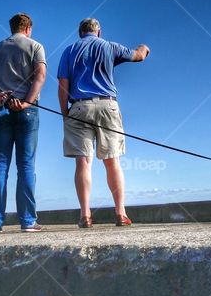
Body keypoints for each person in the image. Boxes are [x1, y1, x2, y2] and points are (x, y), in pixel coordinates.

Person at [58, 18, 150, 228]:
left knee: (83, 162)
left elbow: (63, 84)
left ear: (80, 33)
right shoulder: (109, 46)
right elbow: (138, 56)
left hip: (79, 107)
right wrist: (144, 48)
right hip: (108, 106)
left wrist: (65, 114)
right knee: (112, 161)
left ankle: (85, 215)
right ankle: (120, 214)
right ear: (98, 32)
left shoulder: (69, 51)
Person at [0, 12, 46, 233]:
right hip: (27, 111)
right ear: (28, 28)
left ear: (12, 27)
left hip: (1, 109)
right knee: (25, 166)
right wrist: (26, 102)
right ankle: (27, 222)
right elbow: (40, 76)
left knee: (0, 165)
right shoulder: (35, 46)